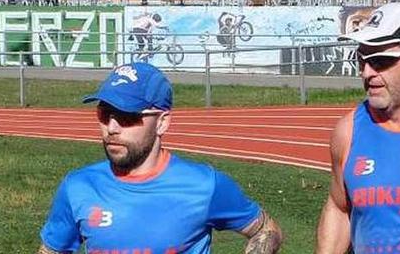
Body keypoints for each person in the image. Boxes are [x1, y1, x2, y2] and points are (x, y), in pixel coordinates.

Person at [37, 63, 282, 254]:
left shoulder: (204, 185)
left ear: (162, 122)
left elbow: (266, 230)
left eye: (126, 116)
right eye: (104, 114)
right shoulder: (78, 186)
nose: (111, 127)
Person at [315, 3, 400, 254]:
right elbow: (340, 209)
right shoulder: (349, 130)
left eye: (380, 61)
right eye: (362, 60)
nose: (367, 73)